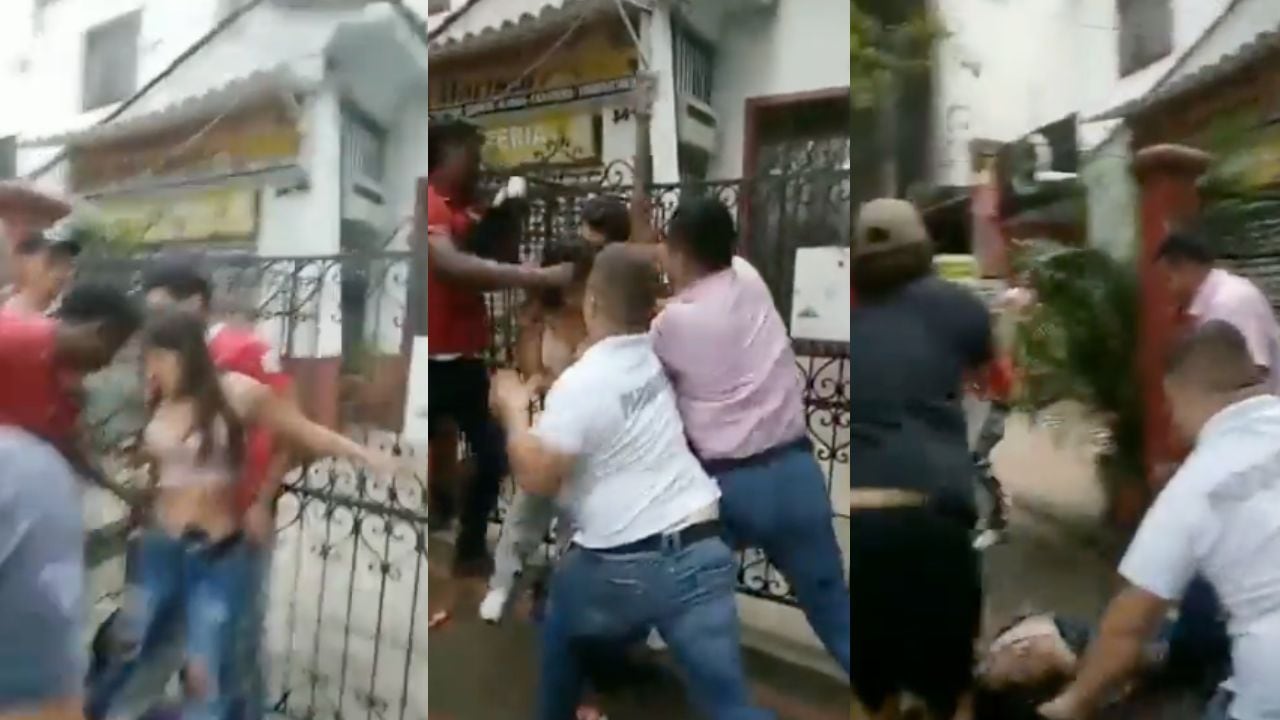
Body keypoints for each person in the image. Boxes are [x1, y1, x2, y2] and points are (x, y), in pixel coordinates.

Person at [489, 244, 772, 720]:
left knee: (561, 622)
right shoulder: (663, 350)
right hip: (703, 545)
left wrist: (514, 410)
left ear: (592, 303)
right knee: (729, 706)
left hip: (620, 561)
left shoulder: (583, 382)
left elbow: (537, 477)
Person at [88, 310, 392, 720]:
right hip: (161, 547)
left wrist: (364, 455)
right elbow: (158, 463)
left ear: (186, 354)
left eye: (160, 358)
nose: (153, 368)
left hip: (214, 552)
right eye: (149, 359)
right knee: (136, 645)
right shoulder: (158, 399)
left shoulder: (235, 392)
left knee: (210, 661)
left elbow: (302, 430)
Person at [649, 196, 851, 677]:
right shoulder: (749, 277)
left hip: (726, 489)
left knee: (670, 575)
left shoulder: (669, 327)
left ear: (679, 253)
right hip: (796, 476)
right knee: (835, 614)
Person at [1040, 321, 1280, 720]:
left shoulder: (1196, 484)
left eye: (1171, 405)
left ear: (1183, 392)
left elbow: (1129, 627)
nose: (1174, 420)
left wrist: (1073, 703)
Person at [849, 199, 993, 720]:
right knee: (951, 692)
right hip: (934, 511)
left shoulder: (850, 313)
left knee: (872, 692)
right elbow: (989, 381)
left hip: (859, 519)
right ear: (924, 249)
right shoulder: (960, 307)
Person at [138, 260, 294, 720]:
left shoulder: (246, 350)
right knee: (194, 636)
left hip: (238, 522)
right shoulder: (167, 361)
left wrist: (263, 502)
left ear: (195, 303)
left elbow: (290, 430)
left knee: (237, 635)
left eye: (163, 308)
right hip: (183, 526)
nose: (155, 321)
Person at [425, 119, 572, 576]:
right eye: (471, 153)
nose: (479, 162)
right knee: (426, 454)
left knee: (491, 453)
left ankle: (469, 547)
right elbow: (450, 266)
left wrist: (511, 216)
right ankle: (434, 517)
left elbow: (493, 262)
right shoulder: (428, 202)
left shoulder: (467, 209)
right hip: (428, 362)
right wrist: (538, 277)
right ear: (446, 154)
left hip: (465, 359)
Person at [0, 282, 143, 720]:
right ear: (101, 332)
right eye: (114, 349)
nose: (107, 364)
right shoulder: (14, 340)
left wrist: (122, 491)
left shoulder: (62, 382)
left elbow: (69, 443)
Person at [480, 237, 597, 623]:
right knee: (525, 513)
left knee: (574, 521)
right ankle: (502, 585)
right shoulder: (537, 320)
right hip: (548, 427)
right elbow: (533, 372)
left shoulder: (598, 319)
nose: (577, 289)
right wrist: (542, 382)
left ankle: (560, 594)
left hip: (587, 432)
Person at [1155, 226, 1280, 392]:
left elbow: (1253, 373)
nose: (1168, 291)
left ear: (1186, 268)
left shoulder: (1230, 302)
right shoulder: (1210, 304)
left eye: (1168, 280)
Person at [1, 226, 80, 318]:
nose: (62, 272)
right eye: (53, 262)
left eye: (68, 264)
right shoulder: (7, 310)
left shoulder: (72, 312)